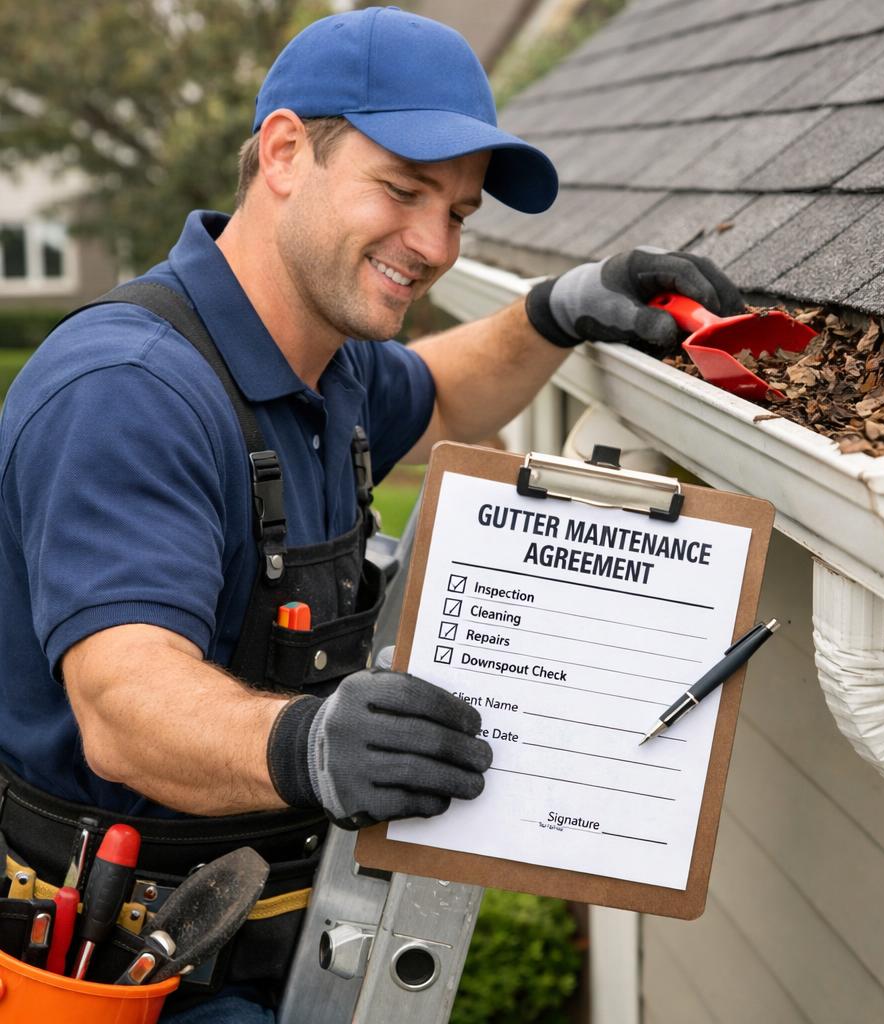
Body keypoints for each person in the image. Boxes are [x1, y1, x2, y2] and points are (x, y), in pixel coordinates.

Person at [0, 6, 743, 1021]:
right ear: (284, 153)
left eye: (459, 212)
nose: (434, 244)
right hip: (131, 984)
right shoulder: (129, 390)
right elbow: (125, 707)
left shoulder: (328, 367)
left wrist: (557, 309)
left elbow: (442, 395)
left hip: (294, 955)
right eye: (401, 190)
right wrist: (309, 743)